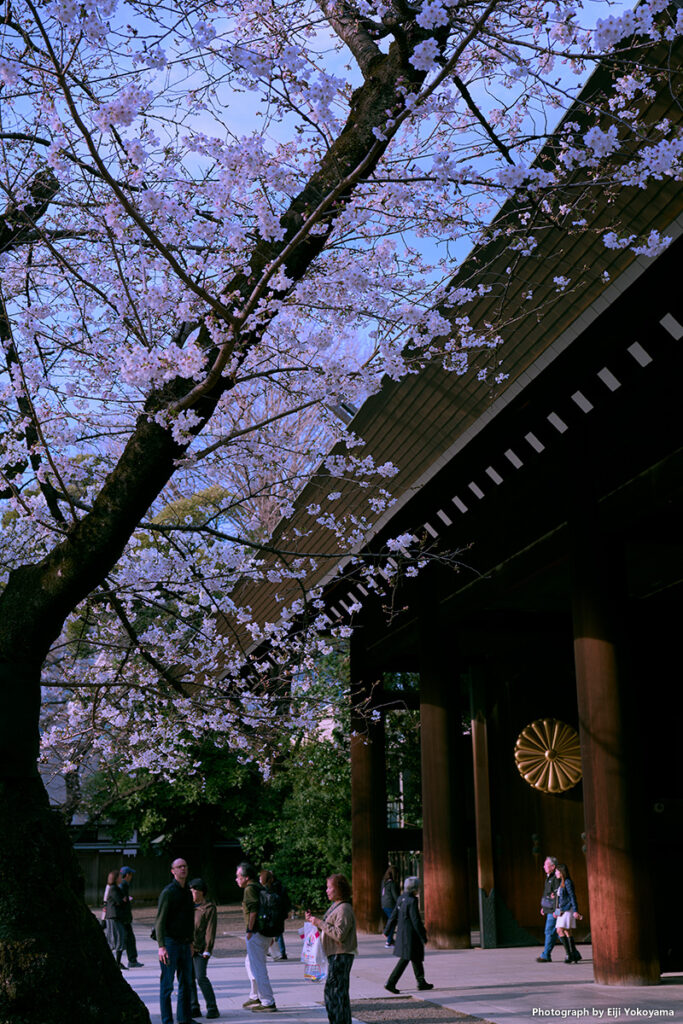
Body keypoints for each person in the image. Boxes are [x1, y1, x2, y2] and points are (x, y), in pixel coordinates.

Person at [305, 873, 358, 1024]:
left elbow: (340, 934)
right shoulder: (336, 906)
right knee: (334, 993)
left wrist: (319, 922)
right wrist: (313, 921)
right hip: (334, 954)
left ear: (339, 889)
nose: (327, 891)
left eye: (330, 888)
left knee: (336, 993)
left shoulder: (344, 909)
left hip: (341, 954)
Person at [155, 857, 195, 1024]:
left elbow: (189, 919)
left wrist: (191, 941)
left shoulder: (187, 892)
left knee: (186, 983)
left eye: (185, 866)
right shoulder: (168, 892)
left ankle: (185, 1018)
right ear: (173, 871)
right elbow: (160, 921)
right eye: (179, 867)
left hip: (185, 943)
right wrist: (161, 946)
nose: (183, 869)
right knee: (167, 985)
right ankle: (167, 1020)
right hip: (170, 943)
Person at [236, 861, 277, 1013]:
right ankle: (255, 995)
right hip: (265, 932)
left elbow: (253, 910)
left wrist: (249, 930)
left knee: (258, 967)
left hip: (256, 933)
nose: (236, 879)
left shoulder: (249, 889)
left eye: (238, 876)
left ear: (246, 877)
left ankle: (267, 1001)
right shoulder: (260, 887)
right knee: (249, 962)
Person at [383, 876, 433, 994]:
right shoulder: (412, 900)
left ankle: (421, 982)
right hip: (411, 935)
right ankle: (391, 982)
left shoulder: (401, 898)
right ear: (415, 888)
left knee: (416, 957)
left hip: (403, 933)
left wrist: (387, 930)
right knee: (405, 959)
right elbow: (415, 920)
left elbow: (394, 915)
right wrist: (423, 935)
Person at [189, 877, 220, 1020]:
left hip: (201, 948)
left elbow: (210, 929)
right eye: (190, 890)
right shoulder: (188, 906)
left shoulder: (209, 908)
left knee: (201, 977)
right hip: (187, 947)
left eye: (194, 890)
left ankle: (212, 1007)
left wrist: (208, 948)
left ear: (201, 892)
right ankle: (194, 1006)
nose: (191, 893)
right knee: (189, 978)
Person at [554, 863, 583, 963]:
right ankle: (574, 954)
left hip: (567, 910)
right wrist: (557, 911)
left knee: (559, 930)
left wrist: (575, 910)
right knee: (567, 931)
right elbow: (559, 900)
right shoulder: (561, 883)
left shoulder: (567, 882)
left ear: (562, 872)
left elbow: (572, 897)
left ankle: (569, 954)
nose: (556, 873)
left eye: (557, 871)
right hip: (562, 910)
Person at [260, 869, 290, 961]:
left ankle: (279, 952)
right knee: (277, 934)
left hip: (273, 914)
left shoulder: (269, 890)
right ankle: (280, 952)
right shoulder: (279, 887)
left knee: (273, 934)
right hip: (278, 913)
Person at [536, 855, 560, 963]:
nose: (544, 866)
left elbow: (558, 896)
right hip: (549, 909)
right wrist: (543, 908)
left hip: (554, 911)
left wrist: (557, 911)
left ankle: (546, 955)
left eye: (546, 865)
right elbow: (547, 895)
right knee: (559, 933)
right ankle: (573, 952)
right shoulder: (549, 877)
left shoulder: (555, 878)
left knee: (549, 931)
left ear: (553, 866)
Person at [119, 866, 144, 968]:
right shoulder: (123, 885)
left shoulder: (123, 885)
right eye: (131, 875)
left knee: (126, 939)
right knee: (126, 939)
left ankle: (131, 960)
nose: (131, 877)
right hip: (124, 918)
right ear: (128, 875)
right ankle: (131, 960)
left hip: (124, 918)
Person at [104, 869, 127, 969]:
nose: (121, 878)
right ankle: (115, 962)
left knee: (119, 939)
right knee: (116, 939)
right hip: (114, 917)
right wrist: (122, 900)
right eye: (120, 876)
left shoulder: (116, 888)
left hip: (116, 917)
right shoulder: (113, 888)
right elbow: (120, 901)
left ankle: (117, 962)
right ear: (116, 878)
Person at [380, 866, 399, 947]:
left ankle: (390, 939)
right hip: (390, 904)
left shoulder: (384, 882)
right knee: (392, 921)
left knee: (391, 921)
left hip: (384, 904)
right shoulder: (392, 884)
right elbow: (395, 896)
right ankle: (388, 940)